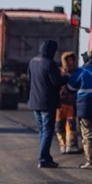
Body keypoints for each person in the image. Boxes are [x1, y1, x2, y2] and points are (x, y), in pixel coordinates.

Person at [27, 39, 67, 168]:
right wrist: (67, 77)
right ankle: (43, 159)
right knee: (48, 130)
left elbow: (29, 79)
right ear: (52, 50)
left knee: (42, 131)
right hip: (47, 102)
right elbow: (57, 82)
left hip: (35, 102)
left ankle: (46, 156)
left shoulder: (33, 61)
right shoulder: (50, 64)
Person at [56, 51, 80, 154]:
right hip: (60, 103)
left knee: (71, 125)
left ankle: (71, 145)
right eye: (68, 60)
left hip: (72, 103)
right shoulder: (60, 72)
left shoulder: (76, 73)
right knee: (59, 125)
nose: (71, 62)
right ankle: (63, 144)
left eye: (72, 59)